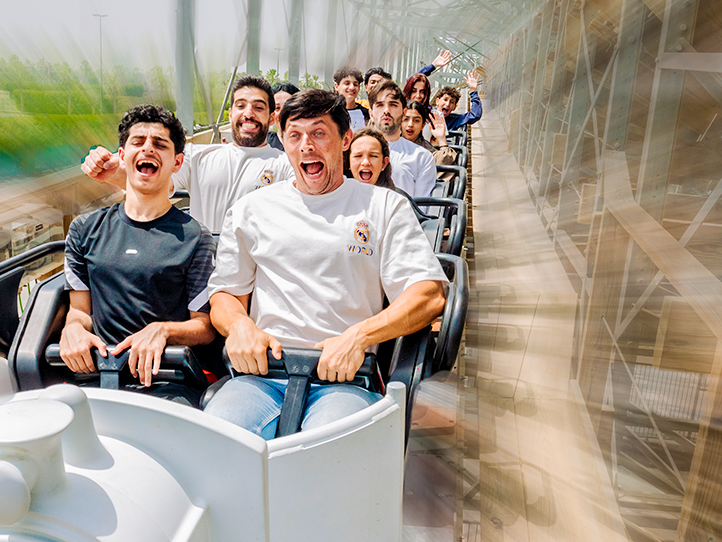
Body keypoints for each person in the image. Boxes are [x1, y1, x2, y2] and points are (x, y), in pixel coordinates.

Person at [203, 89, 447, 437]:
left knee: (327, 454)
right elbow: (226, 294)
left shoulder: (383, 207)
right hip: (263, 373)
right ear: (284, 142)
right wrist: (240, 326)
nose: (306, 146)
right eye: (295, 136)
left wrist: (359, 337)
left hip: (344, 377)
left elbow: (428, 295)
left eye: (319, 133)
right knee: (217, 439)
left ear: (345, 139)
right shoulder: (251, 209)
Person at [60, 105, 217, 405]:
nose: (148, 148)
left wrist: (163, 331)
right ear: (122, 156)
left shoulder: (195, 237)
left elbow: (205, 327)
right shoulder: (84, 230)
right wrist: (72, 330)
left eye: (160, 144)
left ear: (177, 162)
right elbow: (80, 310)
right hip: (99, 375)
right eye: (138, 142)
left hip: (166, 380)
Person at [81, 75, 287, 233]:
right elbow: (153, 183)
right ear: (231, 114)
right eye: (240, 105)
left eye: (258, 107)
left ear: (271, 118)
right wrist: (110, 173)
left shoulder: (285, 165)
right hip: (203, 267)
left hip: (256, 273)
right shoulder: (197, 157)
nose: (248, 113)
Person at [368, 84, 437, 199]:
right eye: (380, 105)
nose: (386, 110)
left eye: (393, 105)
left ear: (404, 112)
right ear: (371, 114)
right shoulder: (354, 153)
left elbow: (421, 207)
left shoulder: (421, 156)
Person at [347, 128, 413, 206]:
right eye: (358, 156)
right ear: (348, 162)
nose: (366, 162)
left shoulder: (397, 201)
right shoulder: (338, 200)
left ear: (384, 163)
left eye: (373, 156)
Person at [333, 67, 368, 131]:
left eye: (355, 84)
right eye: (347, 83)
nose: (352, 87)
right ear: (336, 86)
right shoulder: (330, 111)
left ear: (359, 89)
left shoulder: (366, 113)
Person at [267, 81, 300, 150]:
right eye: (277, 108)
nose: (282, 113)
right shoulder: (264, 143)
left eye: (287, 107)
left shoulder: (307, 143)